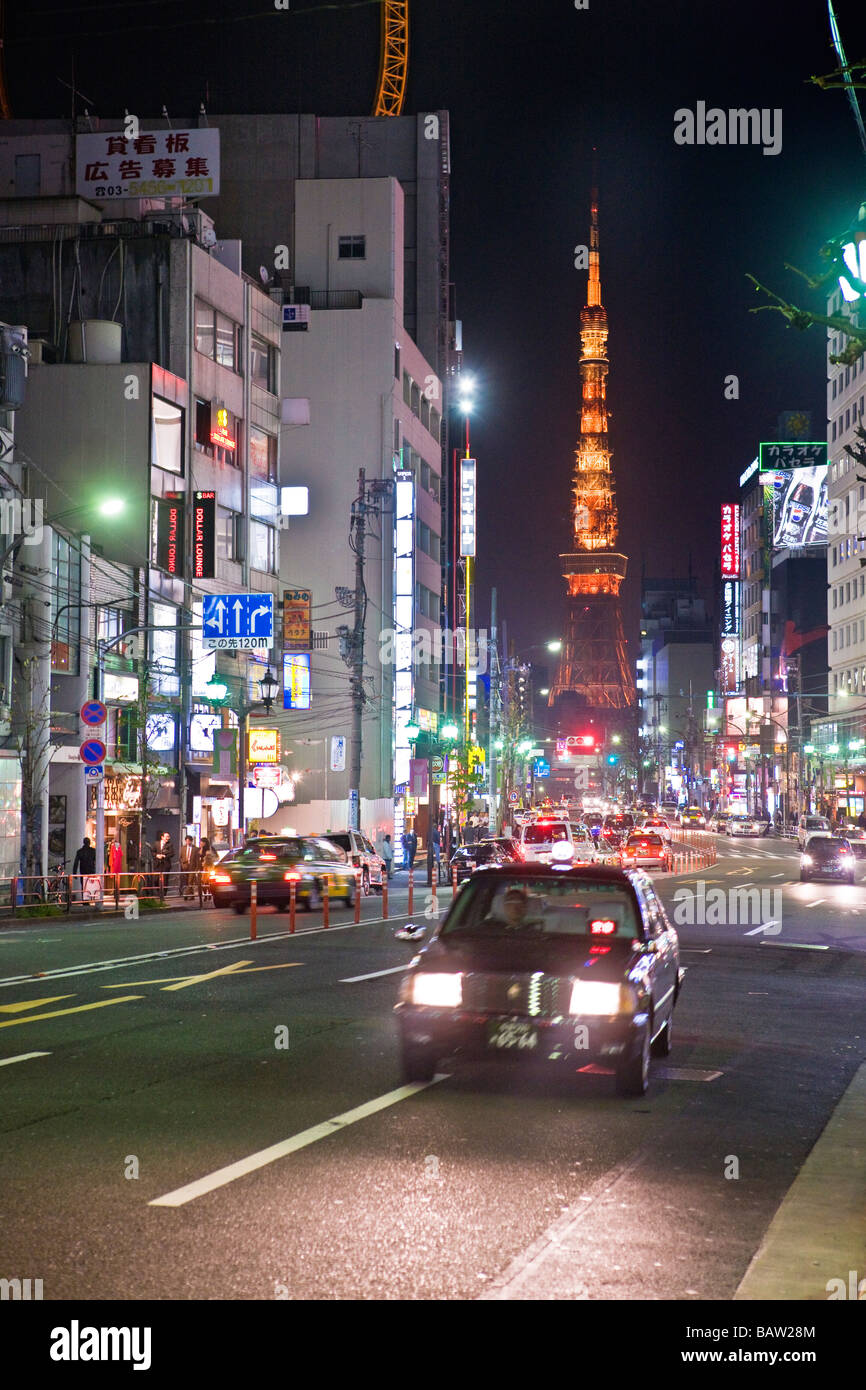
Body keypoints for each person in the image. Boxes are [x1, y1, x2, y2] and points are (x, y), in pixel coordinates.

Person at [180, 835, 200, 899]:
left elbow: (197, 859)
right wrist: (182, 865)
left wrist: (197, 868)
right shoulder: (182, 848)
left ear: (191, 841)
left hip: (192, 867)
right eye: (186, 841)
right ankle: (192, 895)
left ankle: (186, 894)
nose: (188, 842)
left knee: (190, 881)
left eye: (189, 841)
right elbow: (180, 857)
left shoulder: (195, 849)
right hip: (185, 867)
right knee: (186, 881)